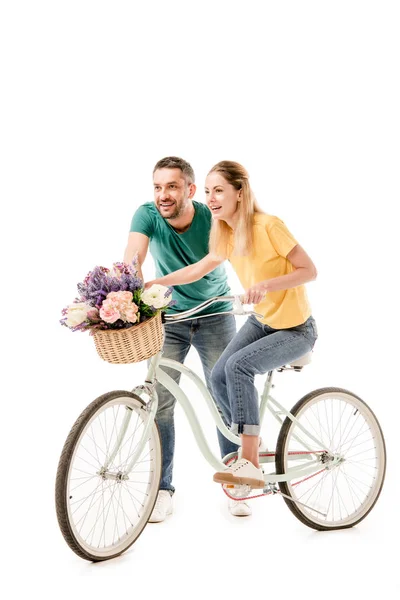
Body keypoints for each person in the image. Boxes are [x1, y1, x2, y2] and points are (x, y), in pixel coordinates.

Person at [145, 160, 318, 490]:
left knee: (238, 367)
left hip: (296, 329)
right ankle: (250, 437)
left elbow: (309, 270)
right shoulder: (225, 230)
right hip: (263, 321)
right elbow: (201, 267)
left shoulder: (269, 225)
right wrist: (157, 283)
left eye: (219, 190)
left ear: (240, 192)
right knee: (219, 374)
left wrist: (267, 285)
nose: (211, 198)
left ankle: (250, 461)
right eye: (208, 192)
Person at [124, 157, 252, 522]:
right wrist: (126, 293)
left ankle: (237, 478)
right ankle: (162, 489)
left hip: (215, 314)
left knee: (224, 395)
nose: (163, 195)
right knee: (161, 401)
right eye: (158, 187)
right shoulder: (146, 215)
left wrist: (158, 282)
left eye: (172, 187)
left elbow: (214, 261)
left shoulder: (212, 216)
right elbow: (133, 258)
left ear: (190, 190)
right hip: (171, 319)